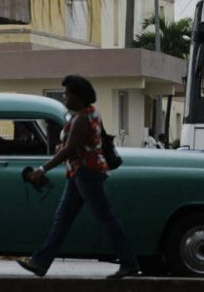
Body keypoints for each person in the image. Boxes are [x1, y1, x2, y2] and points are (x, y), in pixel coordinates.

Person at [18, 75, 139, 279]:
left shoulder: (83, 117)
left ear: (78, 96)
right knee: (63, 219)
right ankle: (40, 262)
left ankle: (129, 263)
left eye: (67, 94)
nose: (64, 98)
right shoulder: (88, 114)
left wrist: (42, 168)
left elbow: (70, 149)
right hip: (79, 173)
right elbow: (74, 147)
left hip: (87, 173)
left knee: (105, 218)